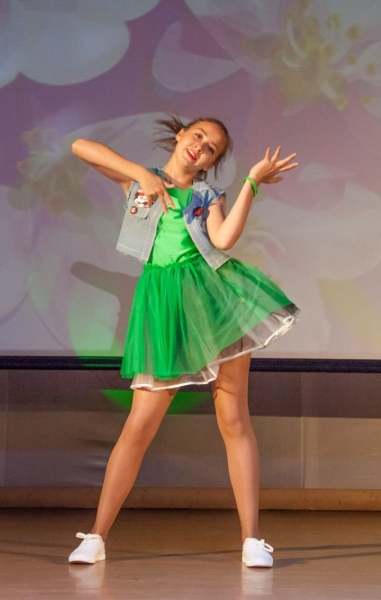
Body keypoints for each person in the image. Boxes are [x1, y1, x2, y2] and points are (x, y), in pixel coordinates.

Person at [68, 115, 299, 568]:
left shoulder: (206, 196)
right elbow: (80, 146)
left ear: (210, 163)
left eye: (211, 148)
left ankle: (252, 539)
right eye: (197, 136)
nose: (200, 147)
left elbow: (223, 240)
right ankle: (96, 536)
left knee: (233, 418)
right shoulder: (141, 183)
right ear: (180, 136)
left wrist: (252, 181)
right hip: (164, 307)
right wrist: (140, 175)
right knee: (139, 425)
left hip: (214, 302)